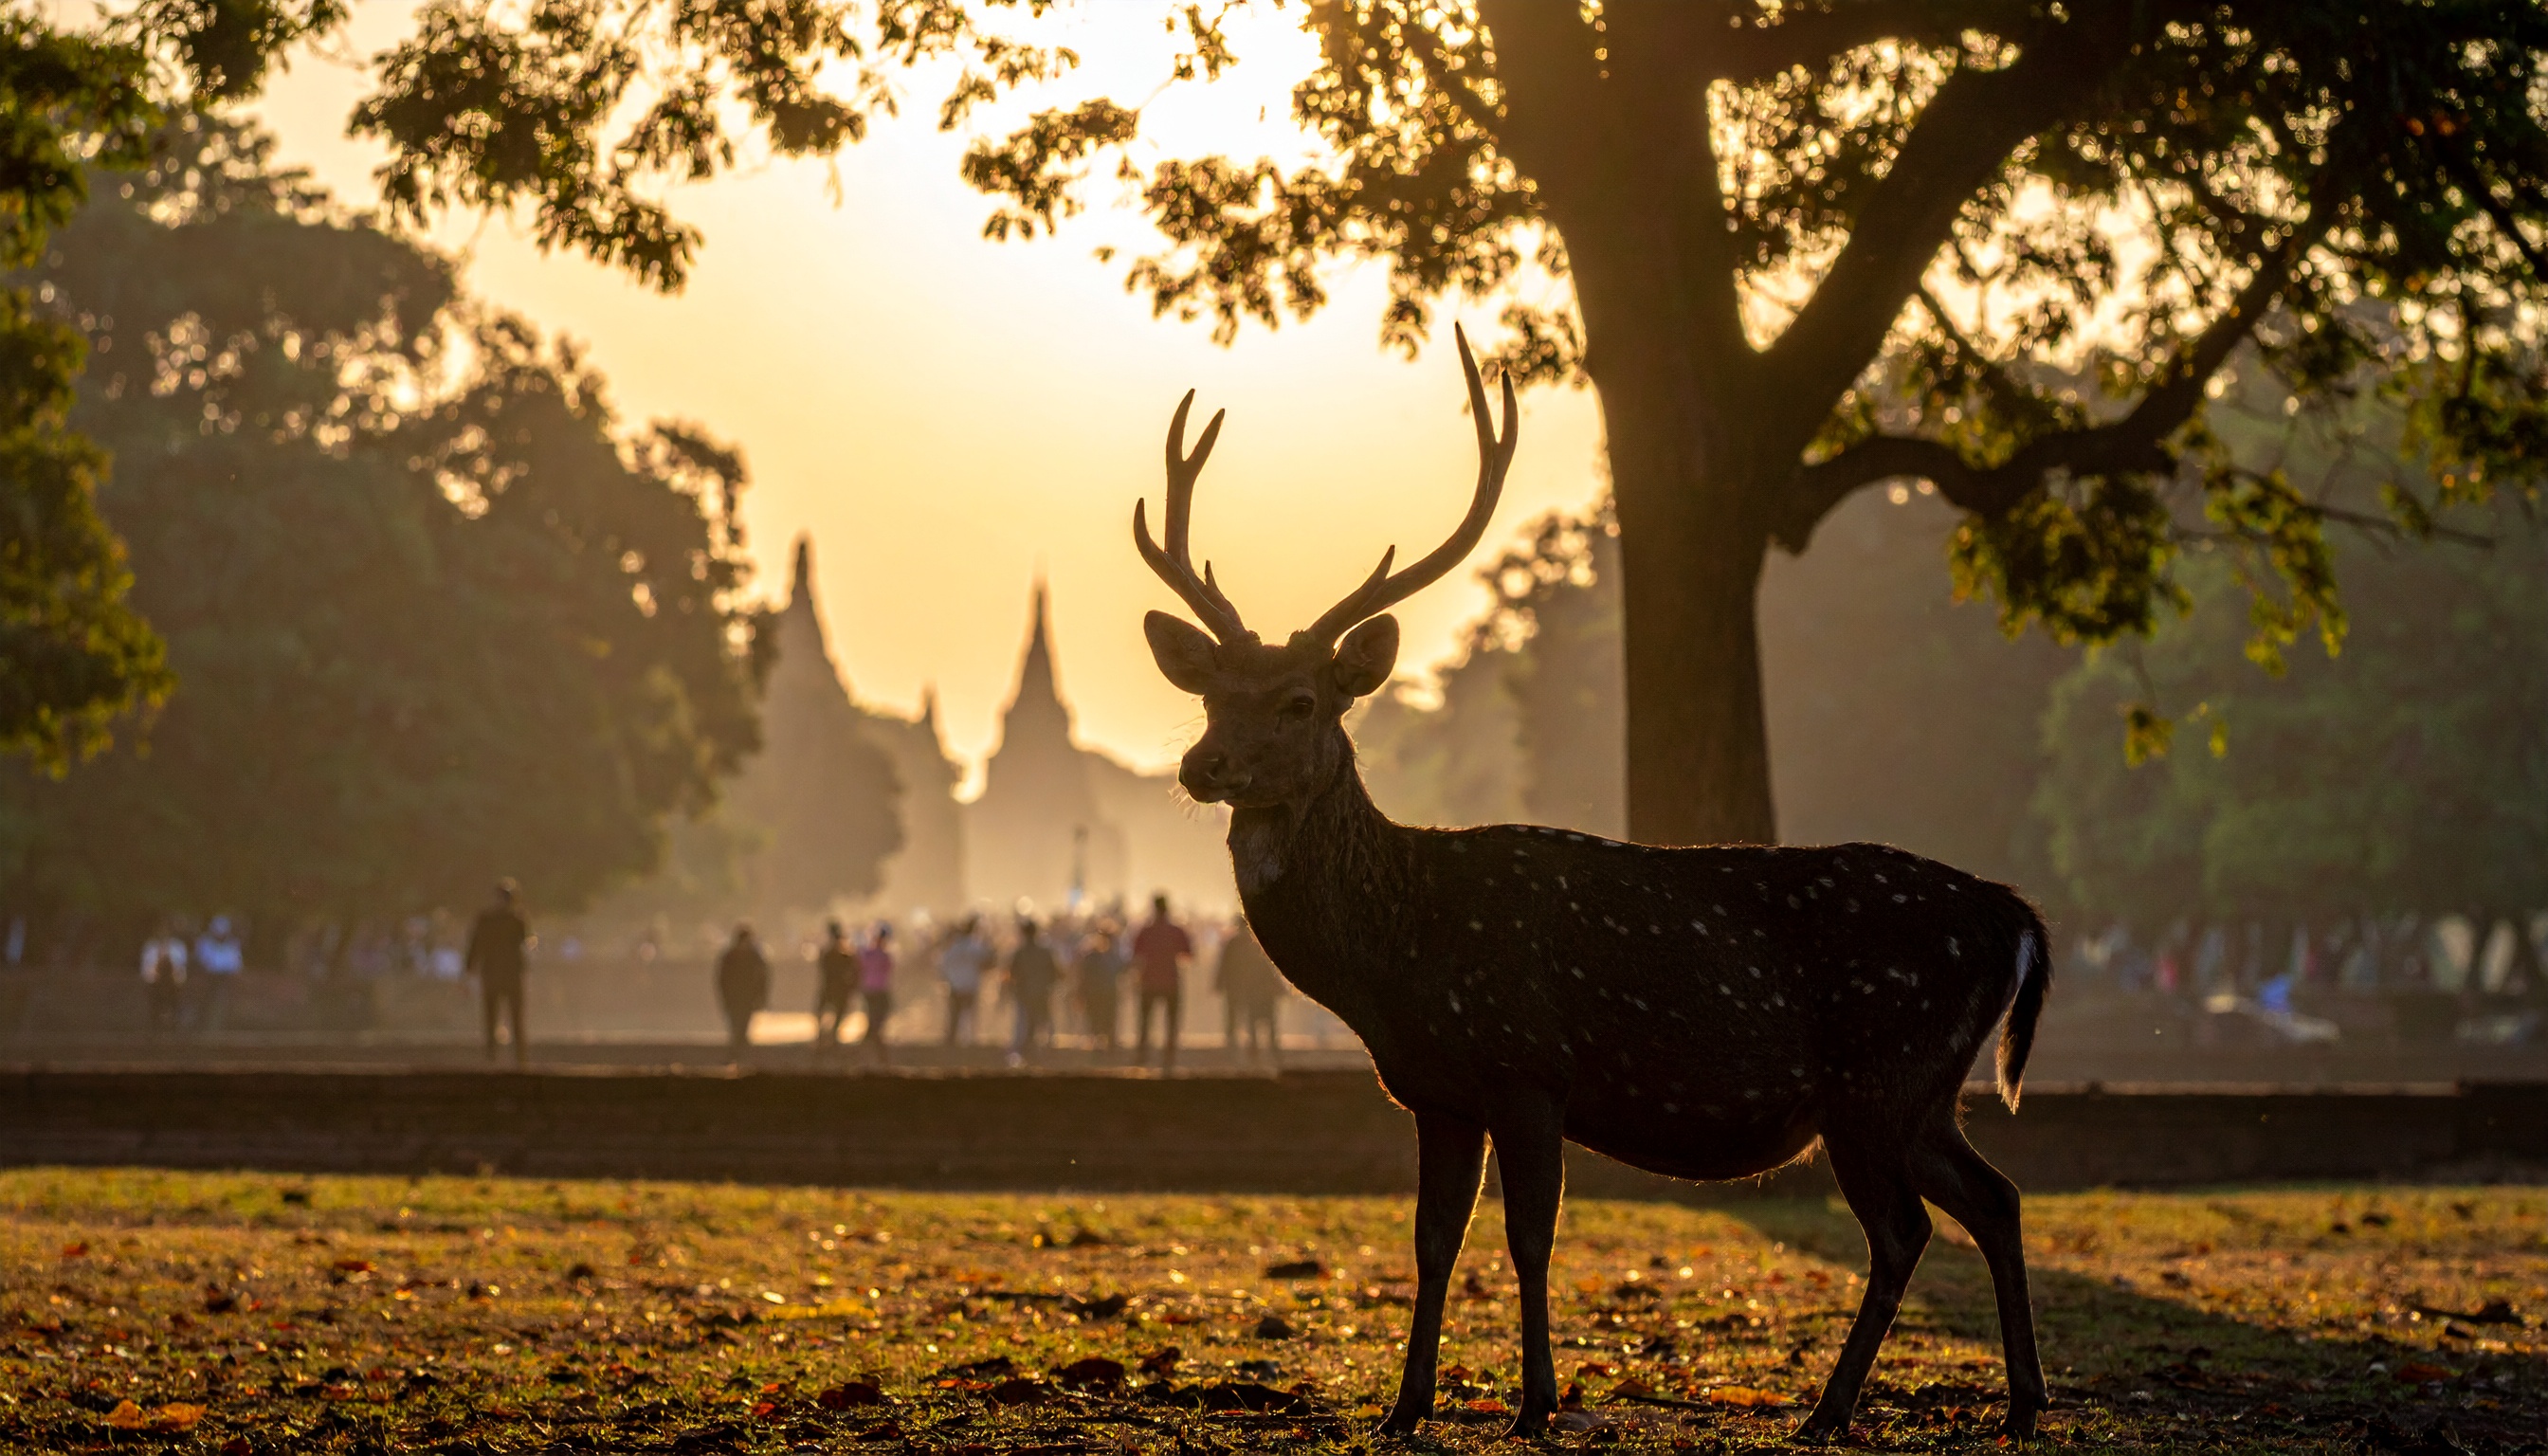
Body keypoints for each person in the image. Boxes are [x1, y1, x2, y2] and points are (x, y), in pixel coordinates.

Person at [464, 885, 531, 1064]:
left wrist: (469, 969)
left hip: (495, 974)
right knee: (509, 1018)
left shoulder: (487, 920)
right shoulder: (516, 920)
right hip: (507, 975)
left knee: (495, 1018)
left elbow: (475, 945)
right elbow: (527, 942)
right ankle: (516, 1058)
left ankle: (496, 1058)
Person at [1130, 894, 1193, 1071]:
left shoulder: (1145, 931)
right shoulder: (1176, 931)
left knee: (1145, 1021)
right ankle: (1169, 1056)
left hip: (1149, 980)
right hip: (1171, 980)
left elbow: (1136, 956)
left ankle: (1143, 1054)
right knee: (1171, 1022)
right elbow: (1188, 954)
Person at [1215, 914, 1283, 1066]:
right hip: (1257, 989)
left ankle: (1238, 1050)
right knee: (1263, 1020)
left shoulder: (1233, 943)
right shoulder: (1260, 943)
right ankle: (1270, 1052)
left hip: (1239, 988)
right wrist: (1277, 986)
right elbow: (1270, 967)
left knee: (1239, 1018)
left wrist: (1220, 983)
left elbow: (1224, 966)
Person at [1007, 915, 1060, 1065]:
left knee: (1025, 1025)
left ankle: (1025, 1053)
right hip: (1042, 993)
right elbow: (1055, 973)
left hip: (1025, 994)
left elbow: (1012, 974)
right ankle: (1044, 1054)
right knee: (1044, 1024)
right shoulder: (1045, 952)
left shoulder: (1020, 953)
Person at [716, 923, 771, 1053]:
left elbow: (762, 977)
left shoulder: (735, 956)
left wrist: (761, 994)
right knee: (736, 1018)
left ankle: (739, 1043)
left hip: (745, 995)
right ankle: (738, 1042)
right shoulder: (741, 956)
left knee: (742, 1018)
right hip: (737, 994)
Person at [939, 915, 992, 1046]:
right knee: (969, 1016)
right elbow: (988, 961)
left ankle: (951, 1042)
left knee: (954, 1016)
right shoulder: (975, 946)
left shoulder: (952, 948)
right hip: (970, 985)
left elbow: (943, 967)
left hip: (955, 985)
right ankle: (968, 1041)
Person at [192, 915, 246, 1036]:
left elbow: (236, 966)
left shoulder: (233, 945)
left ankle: (217, 1031)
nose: (220, 936)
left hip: (225, 982)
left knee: (221, 1000)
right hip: (207, 980)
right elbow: (203, 963)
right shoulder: (204, 943)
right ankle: (204, 1031)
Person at [1076, 920, 1122, 1054]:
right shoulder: (1093, 956)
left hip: (1106, 992)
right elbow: (1083, 976)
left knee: (1107, 1018)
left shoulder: (1111, 956)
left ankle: (1107, 1043)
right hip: (1097, 992)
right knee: (1097, 1018)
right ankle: (1099, 1042)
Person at [814, 919, 858, 1049]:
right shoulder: (845, 955)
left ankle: (826, 1038)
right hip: (837, 988)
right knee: (834, 1013)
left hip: (832, 987)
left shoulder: (829, 954)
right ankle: (829, 1037)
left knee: (824, 1013)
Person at [858, 922, 897, 1065]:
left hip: (869, 991)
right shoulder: (884, 956)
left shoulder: (866, 954)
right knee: (876, 1023)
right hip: (879, 991)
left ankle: (868, 1052)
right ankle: (877, 1053)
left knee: (873, 1021)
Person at [139, 926, 189, 1040]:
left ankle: (175, 1027)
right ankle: (154, 1029)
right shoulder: (150, 948)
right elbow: (145, 971)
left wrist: (174, 979)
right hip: (154, 985)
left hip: (174, 985)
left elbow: (182, 970)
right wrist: (156, 976)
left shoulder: (178, 947)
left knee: (175, 1000)